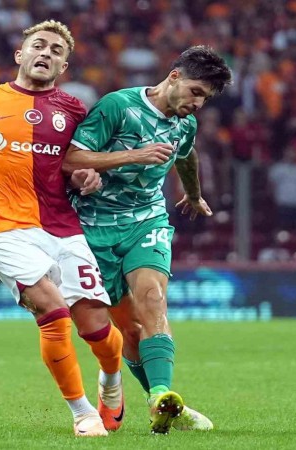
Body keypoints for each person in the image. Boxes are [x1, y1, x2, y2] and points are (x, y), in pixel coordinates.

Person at [0, 20, 133, 437]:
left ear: (64, 66)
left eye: (55, 51)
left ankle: (111, 380)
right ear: (20, 54)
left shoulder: (75, 110)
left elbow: (80, 169)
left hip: (64, 228)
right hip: (3, 228)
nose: (45, 53)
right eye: (38, 45)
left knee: (96, 327)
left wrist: (87, 178)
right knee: (52, 311)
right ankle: (82, 413)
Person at [62, 45, 232, 434]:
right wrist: (135, 156)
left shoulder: (185, 124)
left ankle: (161, 396)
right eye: (195, 92)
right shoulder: (118, 106)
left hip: (146, 219)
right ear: (174, 77)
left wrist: (193, 194)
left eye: (205, 98)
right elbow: (72, 159)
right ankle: (143, 392)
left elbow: (186, 155)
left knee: (153, 299)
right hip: (94, 225)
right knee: (130, 329)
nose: (197, 104)